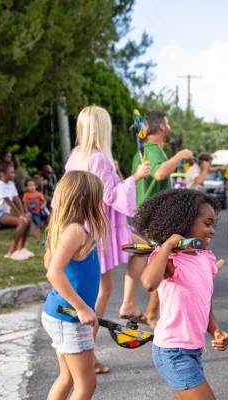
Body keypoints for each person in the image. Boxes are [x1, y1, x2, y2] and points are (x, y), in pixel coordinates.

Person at [64, 105, 150, 374]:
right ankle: (88, 353)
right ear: (103, 128)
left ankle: (128, 304)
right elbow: (110, 195)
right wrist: (136, 177)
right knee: (100, 292)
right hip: (100, 229)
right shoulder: (98, 158)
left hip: (87, 226)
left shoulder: (76, 155)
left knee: (143, 249)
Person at [133, 189, 228, 400]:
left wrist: (216, 331)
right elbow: (149, 283)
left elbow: (205, 306)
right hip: (173, 351)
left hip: (193, 350)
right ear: (184, 223)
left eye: (213, 225)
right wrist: (166, 245)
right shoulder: (168, 258)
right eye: (207, 224)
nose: (212, 231)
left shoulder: (206, 258)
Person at [123, 111, 192, 333]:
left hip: (147, 215)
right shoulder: (153, 150)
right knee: (166, 264)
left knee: (165, 262)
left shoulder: (143, 150)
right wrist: (180, 155)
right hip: (155, 217)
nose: (169, 127)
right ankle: (153, 314)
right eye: (168, 123)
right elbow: (161, 173)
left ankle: (152, 311)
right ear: (161, 127)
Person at [42, 170, 109, 400]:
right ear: (84, 200)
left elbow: (48, 262)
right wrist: (81, 307)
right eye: (97, 197)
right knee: (86, 385)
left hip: (60, 313)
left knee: (67, 378)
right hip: (69, 316)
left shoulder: (66, 227)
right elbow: (53, 272)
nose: (100, 203)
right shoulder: (75, 231)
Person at [0, 163, 33, 260]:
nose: (13, 174)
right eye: (11, 172)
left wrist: (23, 214)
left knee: (28, 220)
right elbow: (8, 202)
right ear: (2, 174)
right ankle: (11, 252)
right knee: (21, 222)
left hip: (5, 212)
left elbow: (17, 199)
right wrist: (20, 215)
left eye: (13, 172)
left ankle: (21, 248)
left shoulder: (11, 184)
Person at [23, 179, 47, 245]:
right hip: (30, 213)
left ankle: (42, 239)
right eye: (29, 185)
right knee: (31, 226)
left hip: (37, 212)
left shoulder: (38, 194)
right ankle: (33, 240)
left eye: (32, 185)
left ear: (35, 186)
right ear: (27, 187)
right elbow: (25, 204)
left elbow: (44, 201)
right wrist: (27, 212)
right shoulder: (26, 195)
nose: (31, 187)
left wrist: (43, 206)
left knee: (38, 225)